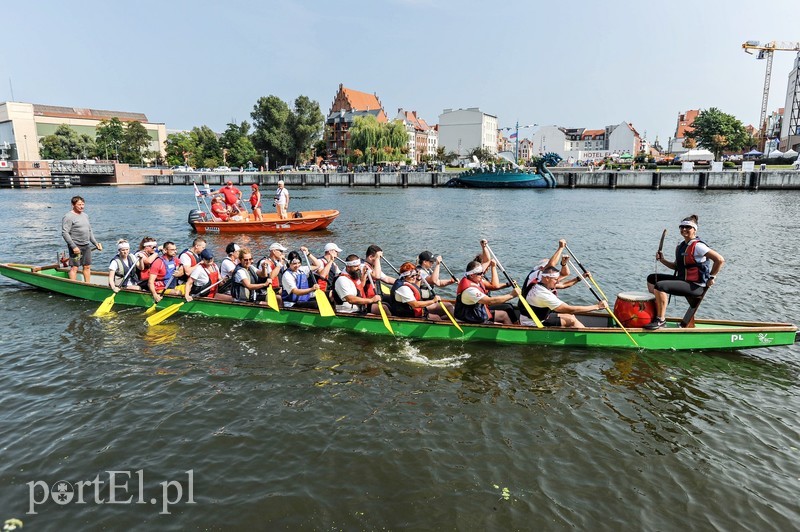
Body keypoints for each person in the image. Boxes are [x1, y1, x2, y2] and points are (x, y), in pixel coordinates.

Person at [645, 214, 725, 329]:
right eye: (681, 227)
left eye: (688, 227)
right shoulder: (681, 246)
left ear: (694, 230)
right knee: (652, 278)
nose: (684, 229)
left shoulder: (699, 246)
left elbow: (720, 260)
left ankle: (660, 320)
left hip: (695, 285)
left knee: (660, 286)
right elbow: (675, 267)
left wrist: (712, 277)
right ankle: (656, 313)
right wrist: (662, 260)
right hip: (683, 281)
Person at [522, 266, 607, 328]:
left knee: (571, 316)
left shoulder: (540, 283)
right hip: (533, 323)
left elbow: (563, 285)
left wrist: (581, 277)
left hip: (536, 317)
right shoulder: (542, 294)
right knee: (571, 319)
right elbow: (570, 308)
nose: (557, 282)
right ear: (547, 278)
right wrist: (597, 307)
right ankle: (587, 338)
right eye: (556, 279)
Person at [454, 260, 521, 325]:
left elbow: (493, 286)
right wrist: (512, 295)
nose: (482, 275)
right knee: (500, 323)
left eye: (482, 272)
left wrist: (508, 284)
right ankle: (509, 333)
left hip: (476, 313)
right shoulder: (470, 290)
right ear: (471, 275)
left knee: (504, 315)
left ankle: (512, 331)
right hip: (469, 319)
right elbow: (490, 301)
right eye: (480, 273)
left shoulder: (476, 280)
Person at [61, 195, 102, 282]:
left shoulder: (85, 215)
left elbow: (89, 231)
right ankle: (73, 285)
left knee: (87, 266)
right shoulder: (68, 216)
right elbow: (65, 233)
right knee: (74, 267)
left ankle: (88, 284)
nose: (82, 206)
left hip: (86, 245)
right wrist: (73, 246)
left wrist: (95, 243)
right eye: (79, 204)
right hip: (76, 246)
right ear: (73, 205)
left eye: (83, 204)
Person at [258, 242, 288, 306]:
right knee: (279, 298)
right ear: (274, 251)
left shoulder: (277, 263)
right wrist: (280, 264)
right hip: (265, 291)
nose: (282, 254)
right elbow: (271, 276)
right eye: (281, 251)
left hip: (276, 289)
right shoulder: (264, 262)